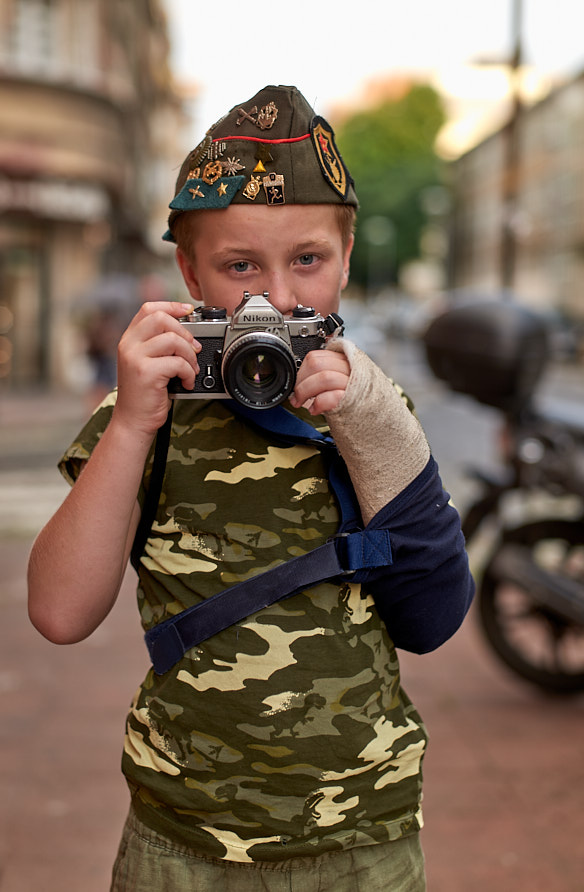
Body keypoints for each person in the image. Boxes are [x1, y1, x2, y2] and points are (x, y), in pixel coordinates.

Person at [28, 85, 474, 891]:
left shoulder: (370, 407)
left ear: (345, 256)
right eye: (241, 267)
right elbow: (60, 612)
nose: (275, 298)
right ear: (188, 272)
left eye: (308, 260)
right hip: (184, 838)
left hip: (363, 836)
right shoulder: (152, 411)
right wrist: (130, 425)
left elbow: (434, 615)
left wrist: (371, 425)